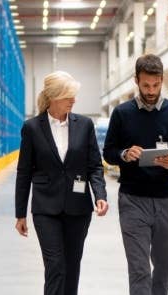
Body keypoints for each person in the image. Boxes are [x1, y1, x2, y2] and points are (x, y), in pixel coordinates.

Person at [103, 54, 168, 295]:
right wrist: (125, 154)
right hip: (133, 200)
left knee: (165, 266)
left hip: (167, 200)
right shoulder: (122, 113)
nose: (151, 90)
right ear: (136, 81)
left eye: (156, 85)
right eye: (146, 85)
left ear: (162, 80)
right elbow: (109, 153)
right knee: (139, 268)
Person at [15, 70, 109, 295]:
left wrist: (100, 195)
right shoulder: (32, 128)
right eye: (68, 96)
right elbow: (24, 172)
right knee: (55, 265)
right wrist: (20, 214)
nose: (74, 100)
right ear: (54, 97)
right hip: (45, 208)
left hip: (78, 208)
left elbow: (94, 165)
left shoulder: (84, 125)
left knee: (72, 266)